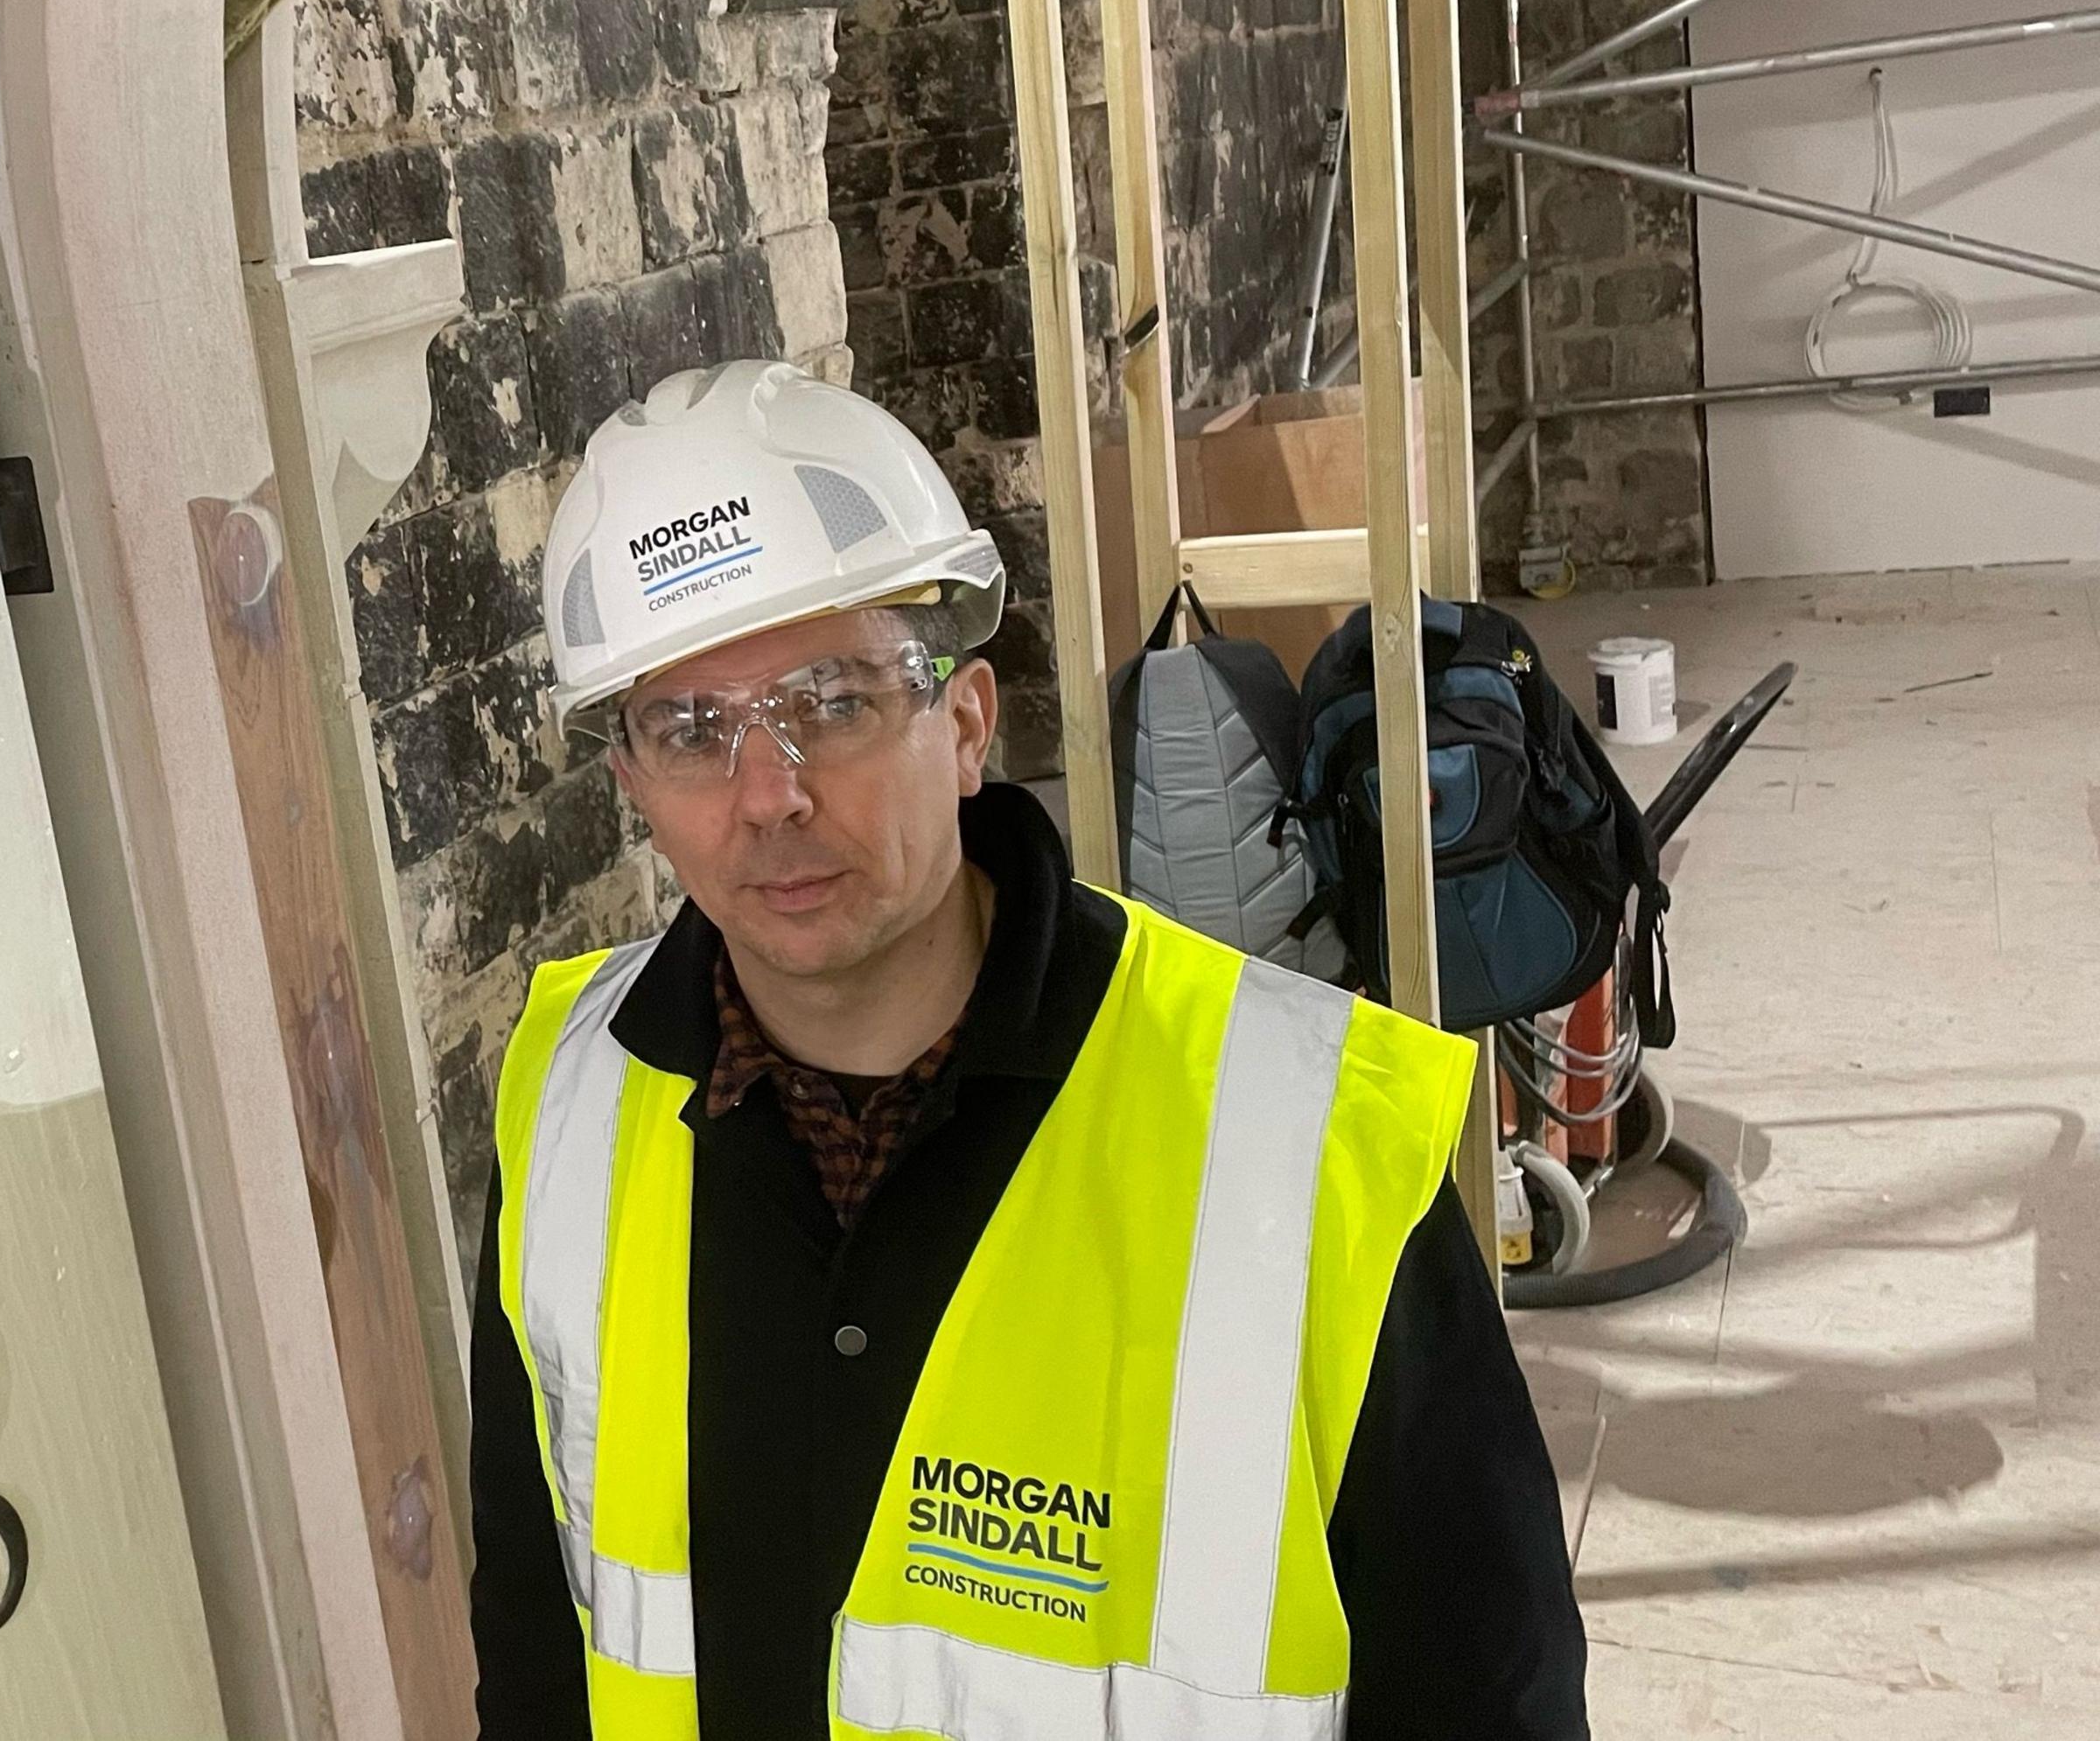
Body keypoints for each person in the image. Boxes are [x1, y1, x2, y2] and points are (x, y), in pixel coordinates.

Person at [467, 360, 1588, 1739]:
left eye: (832, 700)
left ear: (967, 720)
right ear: (634, 783)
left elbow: (1488, 1697)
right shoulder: (567, 1106)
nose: (771, 797)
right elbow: (532, 1645)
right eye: (691, 730)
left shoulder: (1311, 1142)